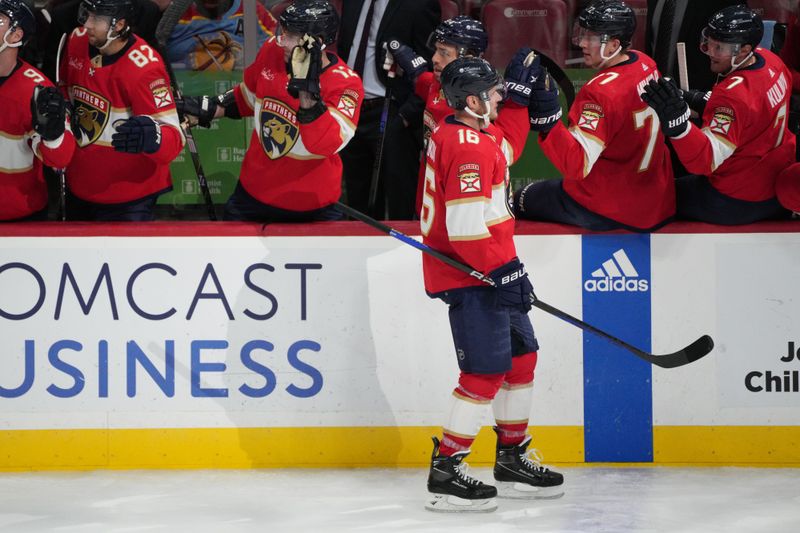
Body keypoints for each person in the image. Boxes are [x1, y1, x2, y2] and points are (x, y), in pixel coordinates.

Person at [421, 56, 563, 513]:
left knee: (521, 359)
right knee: (484, 371)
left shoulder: (466, 132)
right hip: (474, 273)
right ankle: (446, 468)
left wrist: (520, 103)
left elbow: (506, 149)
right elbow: (464, 230)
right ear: (472, 100)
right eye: (496, 92)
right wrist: (503, 273)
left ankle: (511, 456)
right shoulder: (468, 147)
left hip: (493, 266)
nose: (501, 96)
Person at [177, 0, 363, 222]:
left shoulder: (346, 84)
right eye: (282, 32)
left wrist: (307, 91)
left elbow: (324, 145)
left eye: (292, 36)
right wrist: (213, 107)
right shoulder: (272, 49)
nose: (281, 41)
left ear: (319, 42)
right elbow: (250, 95)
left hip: (312, 206)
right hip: (252, 195)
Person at [515, 0, 675, 232]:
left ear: (614, 45)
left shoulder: (600, 91)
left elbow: (576, 165)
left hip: (611, 208)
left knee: (522, 198)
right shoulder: (645, 62)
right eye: (583, 34)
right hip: (658, 202)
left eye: (592, 37)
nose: (583, 43)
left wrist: (549, 123)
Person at [642, 5, 797, 225]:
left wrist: (678, 126)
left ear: (743, 51)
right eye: (710, 42)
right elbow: (752, 114)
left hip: (736, 198)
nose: (710, 52)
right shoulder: (772, 62)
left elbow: (705, 162)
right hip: (773, 184)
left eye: (720, 47)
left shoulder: (733, 95)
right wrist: (696, 99)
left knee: (653, 196)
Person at [385, 16, 537, 216]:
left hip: (463, 210)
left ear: (470, 57)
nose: (434, 59)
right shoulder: (441, 84)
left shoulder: (481, 105)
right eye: (436, 50)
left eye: (444, 53)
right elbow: (425, 82)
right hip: (433, 209)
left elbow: (505, 154)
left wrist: (517, 104)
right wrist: (410, 61)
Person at [60, 0, 184, 221]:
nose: (87, 24)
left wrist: (153, 136)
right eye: (87, 14)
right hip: (80, 184)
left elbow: (173, 140)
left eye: (97, 18)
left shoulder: (145, 68)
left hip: (129, 196)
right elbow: (67, 92)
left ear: (119, 25)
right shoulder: (76, 40)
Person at [337, 0, 440, 220]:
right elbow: (346, 48)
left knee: (399, 202)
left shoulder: (420, 5)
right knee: (357, 201)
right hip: (350, 109)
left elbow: (432, 65)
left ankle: (403, 253)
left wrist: (406, 116)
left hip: (393, 111)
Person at [0, 0, 74, 221]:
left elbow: (61, 159)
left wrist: (53, 136)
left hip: (18, 216)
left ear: (15, 35)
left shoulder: (37, 91)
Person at [165, 0, 277, 71]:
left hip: (238, 91)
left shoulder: (251, 9)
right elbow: (157, 48)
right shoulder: (175, 14)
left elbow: (278, 45)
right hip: (184, 90)